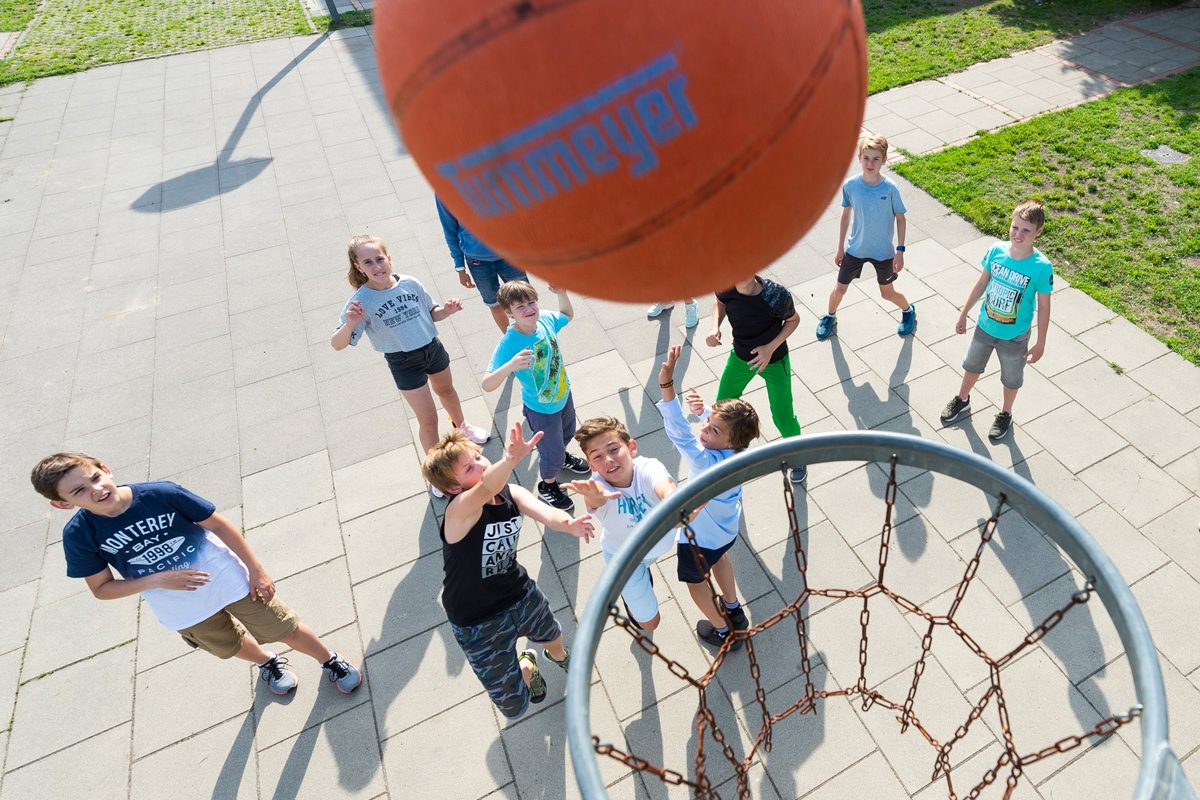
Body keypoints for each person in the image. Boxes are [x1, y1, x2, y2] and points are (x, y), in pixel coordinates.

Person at [30, 453, 362, 696]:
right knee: (227, 645)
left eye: (95, 477)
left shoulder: (160, 494)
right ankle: (267, 662)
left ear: (105, 468)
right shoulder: (79, 534)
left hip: (228, 578)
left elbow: (217, 523)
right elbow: (101, 588)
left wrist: (255, 569)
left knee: (283, 626)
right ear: (62, 504)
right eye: (79, 492)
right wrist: (157, 580)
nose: (96, 489)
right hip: (181, 607)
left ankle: (329, 659)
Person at [422, 421, 595, 719]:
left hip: (518, 592)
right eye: (469, 468)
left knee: (552, 632)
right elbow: (488, 484)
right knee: (515, 707)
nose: (481, 463)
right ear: (453, 488)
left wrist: (568, 524)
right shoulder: (459, 511)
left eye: (478, 456)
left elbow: (546, 513)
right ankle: (527, 666)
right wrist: (510, 459)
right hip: (477, 620)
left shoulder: (510, 492)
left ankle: (559, 656)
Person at [331, 234, 490, 498]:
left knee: (448, 392)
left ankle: (462, 427)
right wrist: (349, 324)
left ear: (389, 258)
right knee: (428, 420)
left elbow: (432, 314)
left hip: (431, 348)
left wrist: (447, 311)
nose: (377, 266)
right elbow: (337, 344)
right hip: (402, 361)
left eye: (380, 258)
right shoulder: (361, 302)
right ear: (359, 267)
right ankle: (437, 472)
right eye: (368, 262)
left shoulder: (410, 283)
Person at [656, 345, 758, 650]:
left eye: (713, 430)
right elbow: (710, 435)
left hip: (699, 538)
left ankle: (721, 630)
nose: (704, 430)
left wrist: (666, 385)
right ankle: (733, 608)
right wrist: (704, 414)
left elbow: (680, 434)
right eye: (707, 424)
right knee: (721, 560)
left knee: (695, 583)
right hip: (724, 532)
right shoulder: (736, 454)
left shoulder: (706, 461)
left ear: (730, 440)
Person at [940, 199, 1053, 444]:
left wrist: (1041, 343)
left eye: (1026, 230)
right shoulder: (996, 251)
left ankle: (1005, 413)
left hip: (1015, 336)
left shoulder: (1041, 267)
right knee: (972, 365)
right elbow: (981, 283)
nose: (1018, 234)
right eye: (1015, 227)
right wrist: (963, 312)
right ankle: (962, 398)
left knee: (1011, 378)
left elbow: (1044, 307)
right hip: (985, 326)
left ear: (1038, 232)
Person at [481, 280, 589, 510]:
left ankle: (560, 457)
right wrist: (510, 365)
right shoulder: (509, 343)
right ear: (509, 313)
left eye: (531, 302)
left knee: (568, 432)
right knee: (551, 451)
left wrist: (563, 292)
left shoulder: (545, 320)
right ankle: (548, 485)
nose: (529, 309)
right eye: (520, 307)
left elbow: (567, 314)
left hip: (563, 395)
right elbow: (487, 384)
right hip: (541, 409)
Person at [566, 417, 677, 632]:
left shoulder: (649, 468)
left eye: (614, 449)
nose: (607, 459)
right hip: (624, 557)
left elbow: (665, 488)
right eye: (597, 456)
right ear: (591, 465)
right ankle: (632, 593)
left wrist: (676, 503)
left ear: (632, 447)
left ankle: (640, 580)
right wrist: (596, 497)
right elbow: (597, 498)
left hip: (657, 546)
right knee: (649, 624)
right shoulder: (596, 487)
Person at [706, 273, 806, 483]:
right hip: (740, 359)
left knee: (782, 415)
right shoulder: (725, 285)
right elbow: (719, 303)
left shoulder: (775, 295)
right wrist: (714, 327)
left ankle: (798, 456)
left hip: (774, 361)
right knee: (720, 408)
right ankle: (726, 453)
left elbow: (793, 320)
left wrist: (769, 349)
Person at [816, 134, 916, 341]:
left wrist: (900, 251)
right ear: (859, 158)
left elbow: (901, 219)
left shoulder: (890, 188)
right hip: (856, 249)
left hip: (883, 252)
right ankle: (829, 316)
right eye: (866, 158)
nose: (870, 163)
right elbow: (845, 217)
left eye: (876, 159)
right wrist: (840, 248)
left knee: (887, 294)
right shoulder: (851, 185)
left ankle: (908, 311)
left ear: (884, 160)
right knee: (839, 289)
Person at [436, 196, 529, 333]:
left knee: (525, 299)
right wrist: (460, 267)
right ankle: (510, 339)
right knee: (495, 305)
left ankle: (533, 334)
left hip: (510, 254)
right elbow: (449, 230)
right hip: (478, 262)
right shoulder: (444, 189)